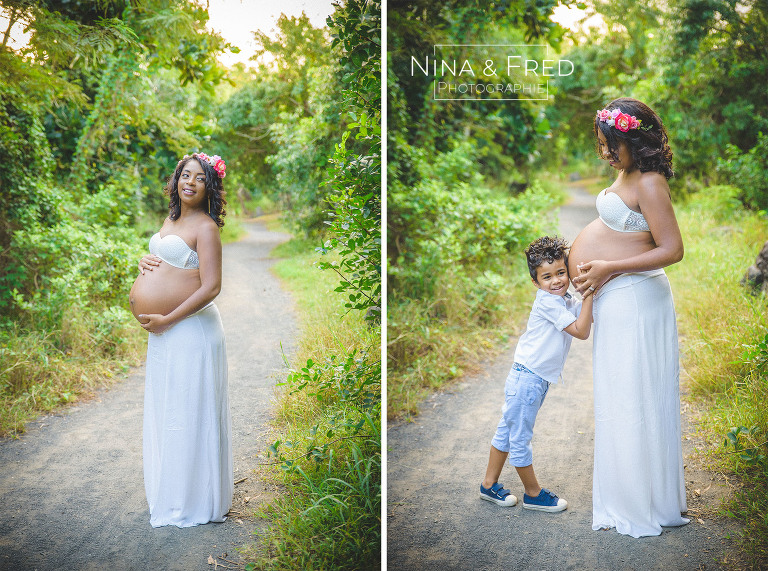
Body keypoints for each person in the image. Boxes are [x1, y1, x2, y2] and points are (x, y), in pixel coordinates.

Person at [569, 97, 689, 538]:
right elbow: (628, 236)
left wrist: (608, 267)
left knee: (636, 399)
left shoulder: (651, 182)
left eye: (609, 144)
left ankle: (642, 504)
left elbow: (672, 249)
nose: (604, 152)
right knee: (619, 398)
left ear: (630, 138)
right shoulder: (626, 172)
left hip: (639, 301)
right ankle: (629, 494)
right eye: (601, 144)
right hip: (618, 300)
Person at [129, 152, 233, 528]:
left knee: (190, 413)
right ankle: (171, 493)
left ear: (210, 187)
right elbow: (168, 262)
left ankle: (195, 501)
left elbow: (212, 286)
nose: (189, 182)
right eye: (184, 175)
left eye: (199, 178)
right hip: (165, 334)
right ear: (175, 180)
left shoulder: (206, 228)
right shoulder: (170, 219)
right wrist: (145, 262)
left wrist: (168, 319)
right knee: (169, 410)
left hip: (191, 332)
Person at [480, 236, 593, 512]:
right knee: (518, 437)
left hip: (530, 377)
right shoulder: (548, 302)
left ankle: (488, 485)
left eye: (561, 273)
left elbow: (586, 316)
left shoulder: (564, 299)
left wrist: (587, 295)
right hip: (528, 379)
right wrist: (590, 293)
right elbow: (581, 330)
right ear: (536, 282)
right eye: (547, 277)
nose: (556, 281)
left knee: (507, 430)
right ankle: (533, 494)